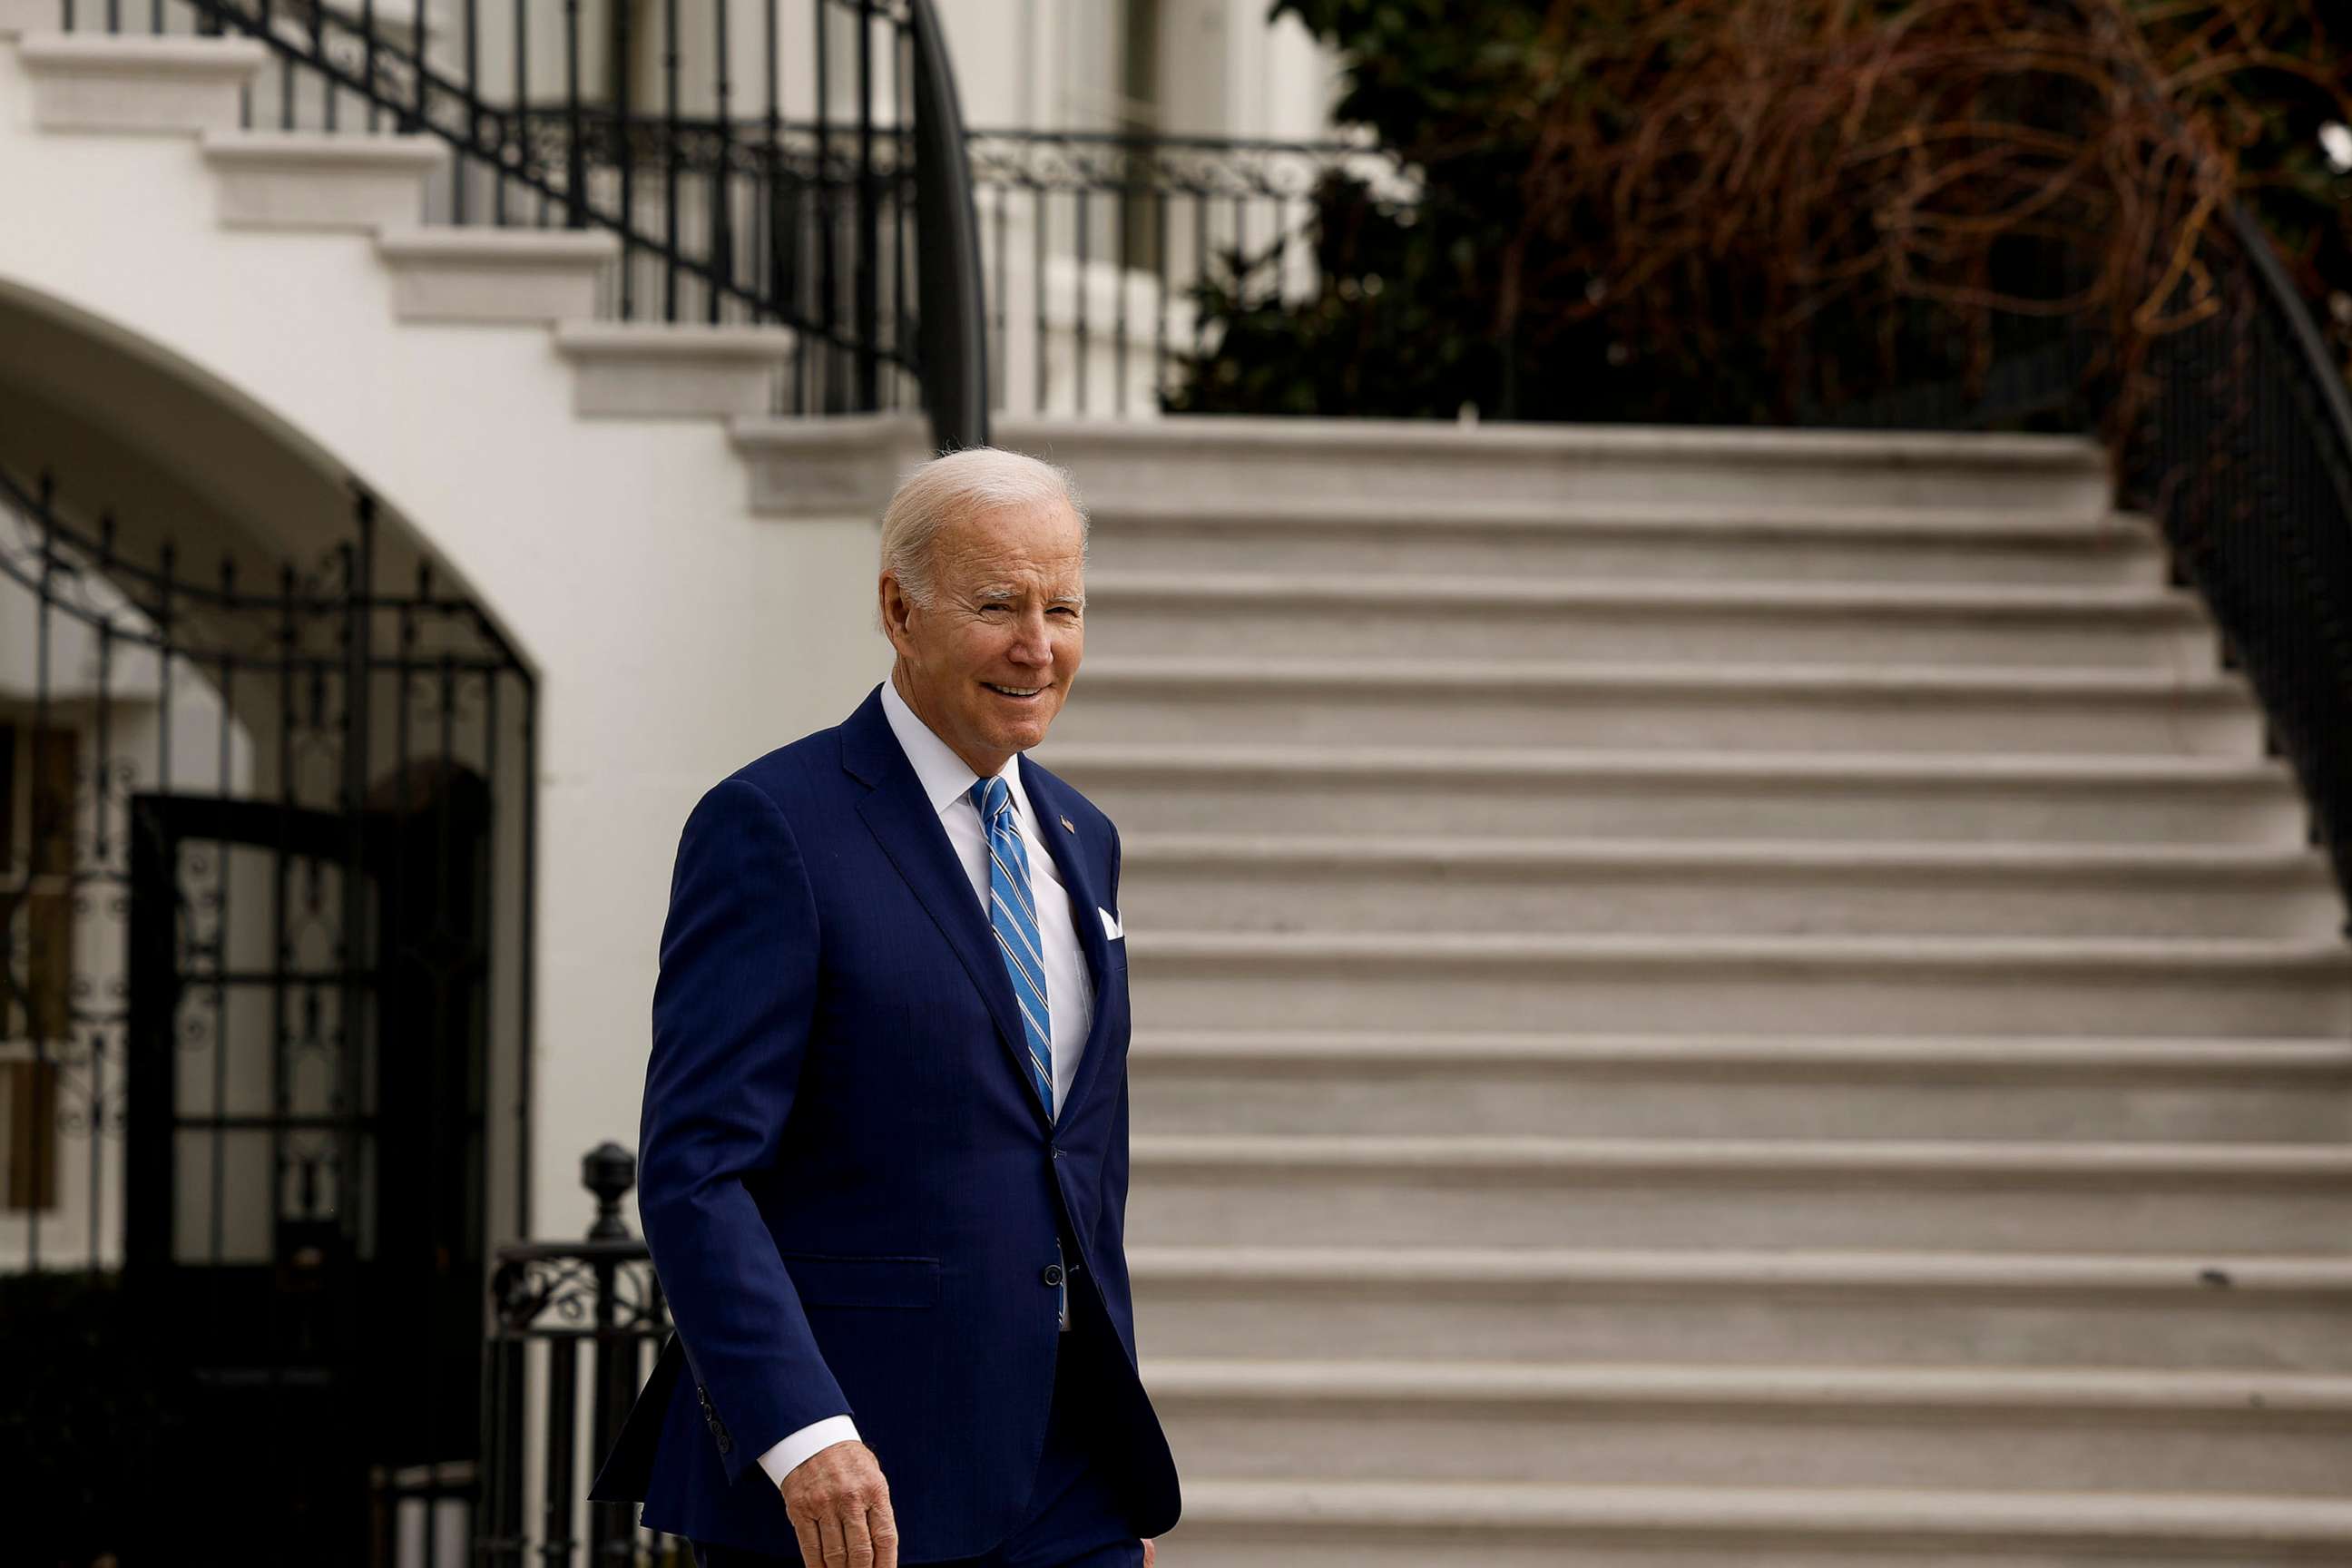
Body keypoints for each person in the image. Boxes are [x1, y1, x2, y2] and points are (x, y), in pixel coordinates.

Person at [587, 447, 1178, 1567]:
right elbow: (697, 1168)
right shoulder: (773, 826)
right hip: (854, 1490)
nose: (1037, 646)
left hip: (1068, 1478)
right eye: (999, 605)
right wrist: (802, 1434)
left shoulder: (1083, 840)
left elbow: (1079, 1172)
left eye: (1064, 608)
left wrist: (1112, 1466)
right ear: (899, 612)